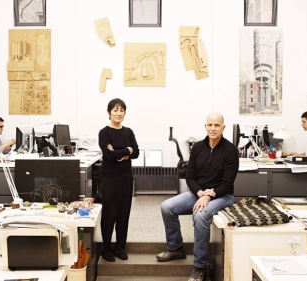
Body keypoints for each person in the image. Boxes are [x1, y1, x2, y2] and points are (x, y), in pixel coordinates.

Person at [156, 112, 239, 281]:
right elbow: (190, 177)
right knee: (167, 207)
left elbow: (227, 184)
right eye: (210, 125)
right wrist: (201, 193)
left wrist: (209, 196)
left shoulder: (230, 150)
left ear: (223, 127)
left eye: (217, 125)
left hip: (222, 195)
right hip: (199, 194)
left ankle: (200, 266)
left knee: (200, 216)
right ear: (205, 126)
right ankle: (176, 248)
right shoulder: (198, 148)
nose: (213, 128)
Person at [98, 98, 139, 262]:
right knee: (109, 212)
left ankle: (120, 247)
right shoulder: (104, 132)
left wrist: (119, 152)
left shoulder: (128, 131)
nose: (118, 113)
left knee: (124, 212)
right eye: (115, 110)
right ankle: (106, 248)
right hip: (109, 177)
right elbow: (108, 155)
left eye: (121, 110)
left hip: (126, 177)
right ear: (109, 112)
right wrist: (126, 151)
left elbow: (136, 152)